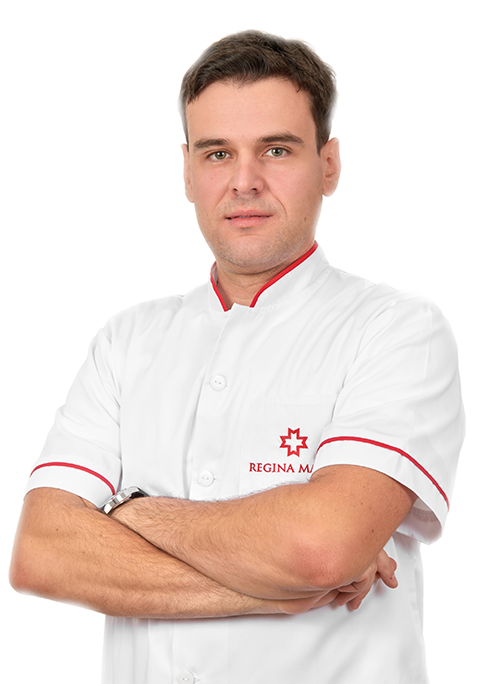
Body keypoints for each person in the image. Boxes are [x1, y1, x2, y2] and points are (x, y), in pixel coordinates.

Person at [10, 29, 464, 684]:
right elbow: (39, 555)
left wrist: (127, 511)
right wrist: (274, 591)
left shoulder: (397, 329)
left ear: (329, 164)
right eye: (218, 153)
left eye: (276, 150)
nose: (244, 182)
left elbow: (321, 549)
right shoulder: (127, 341)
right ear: (187, 172)